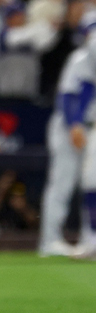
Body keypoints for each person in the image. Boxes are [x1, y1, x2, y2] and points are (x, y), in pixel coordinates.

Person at [43, 30, 96, 257]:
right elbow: (68, 95)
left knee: (91, 182)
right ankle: (50, 240)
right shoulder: (81, 59)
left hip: (91, 127)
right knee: (62, 184)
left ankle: (89, 239)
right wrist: (74, 124)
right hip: (69, 126)